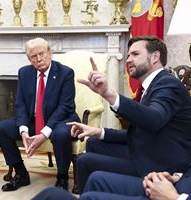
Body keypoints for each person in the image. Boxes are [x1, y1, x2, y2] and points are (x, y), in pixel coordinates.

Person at [68, 36, 191, 193]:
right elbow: (138, 132)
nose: (128, 60)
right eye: (128, 56)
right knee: (93, 142)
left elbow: (154, 119)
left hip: (160, 165)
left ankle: (94, 194)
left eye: (135, 54)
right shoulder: (152, 85)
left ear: (155, 57)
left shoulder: (168, 84)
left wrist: (108, 94)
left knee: (85, 161)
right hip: (148, 149)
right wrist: (98, 132)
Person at [0, 37, 80, 191]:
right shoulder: (25, 73)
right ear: (29, 59)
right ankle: (21, 174)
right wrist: (24, 130)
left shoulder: (65, 73)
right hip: (35, 121)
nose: (39, 59)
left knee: (60, 134)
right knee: (0, 128)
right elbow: (20, 104)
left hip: (61, 120)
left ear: (50, 53)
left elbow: (65, 107)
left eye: (42, 54)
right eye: (34, 56)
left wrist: (45, 133)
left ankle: (62, 177)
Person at [32, 167, 191, 200]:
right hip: (180, 187)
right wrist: (176, 178)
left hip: (174, 197)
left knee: (52, 196)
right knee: (97, 178)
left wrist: (173, 197)